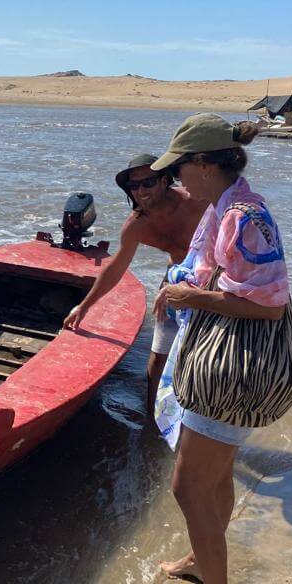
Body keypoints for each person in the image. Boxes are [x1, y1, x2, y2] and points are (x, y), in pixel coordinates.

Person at [148, 114, 290, 584]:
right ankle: (199, 558)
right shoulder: (227, 209)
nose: (174, 180)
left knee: (188, 488)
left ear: (205, 164)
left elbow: (269, 307)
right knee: (217, 476)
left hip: (231, 367)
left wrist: (192, 295)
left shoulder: (242, 218)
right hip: (224, 360)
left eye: (179, 168)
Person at [63, 153, 206, 420]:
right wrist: (84, 307)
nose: (141, 191)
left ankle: (201, 420)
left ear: (165, 180)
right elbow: (116, 267)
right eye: (134, 186)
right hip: (173, 284)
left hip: (210, 284)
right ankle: (154, 420)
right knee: (158, 358)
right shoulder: (136, 225)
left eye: (148, 183)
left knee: (204, 360)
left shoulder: (197, 202)